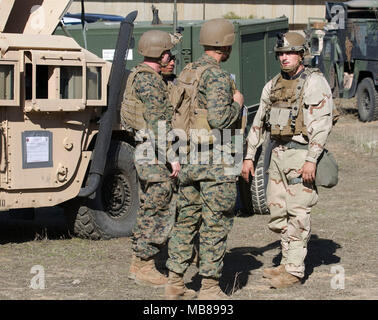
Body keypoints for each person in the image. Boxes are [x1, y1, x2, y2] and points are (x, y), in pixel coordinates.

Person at [241, 32, 334, 288]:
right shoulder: (273, 84)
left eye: (290, 52)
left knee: (298, 212)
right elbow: (258, 123)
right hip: (277, 154)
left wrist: (312, 160)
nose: (284, 57)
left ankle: (294, 270)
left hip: (301, 154)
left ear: (301, 53)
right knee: (278, 211)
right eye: (281, 53)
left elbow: (321, 125)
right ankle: (285, 262)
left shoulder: (314, 83)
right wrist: (249, 157)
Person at [165, 18, 244, 300]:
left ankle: (175, 282)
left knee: (185, 220)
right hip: (213, 162)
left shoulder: (188, 71)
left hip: (187, 158)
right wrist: (237, 103)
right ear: (226, 45)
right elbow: (220, 119)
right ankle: (209, 287)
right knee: (215, 222)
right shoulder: (217, 76)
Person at [120, 29, 181, 288]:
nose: (171, 56)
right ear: (161, 53)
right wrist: (172, 156)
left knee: (153, 202)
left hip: (148, 148)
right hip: (151, 150)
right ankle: (143, 263)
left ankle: (142, 262)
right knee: (158, 199)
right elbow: (157, 121)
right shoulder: (150, 81)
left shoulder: (147, 77)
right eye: (169, 52)